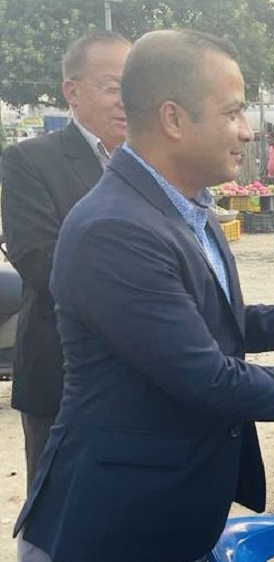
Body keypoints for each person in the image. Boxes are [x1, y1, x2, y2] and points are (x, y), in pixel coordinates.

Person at [14, 29, 274, 562]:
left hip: (169, 513)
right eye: (233, 112)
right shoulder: (115, 228)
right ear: (173, 119)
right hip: (113, 524)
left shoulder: (185, 208)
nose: (247, 132)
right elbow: (205, 376)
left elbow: (212, 323)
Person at [0, 31, 131, 494]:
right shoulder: (30, 161)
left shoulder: (154, 162)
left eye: (134, 85)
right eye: (112, 86)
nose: (126, 99)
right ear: (71, 92)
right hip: (64, 375)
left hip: (147, 373)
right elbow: (40, 261)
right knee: (60, 507)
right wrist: (146, 284)